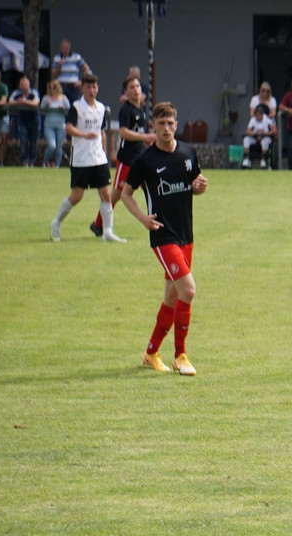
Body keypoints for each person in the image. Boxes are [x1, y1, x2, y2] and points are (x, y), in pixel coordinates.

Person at [120, 101, 208, 376]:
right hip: (162, 235)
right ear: (153, 126)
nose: (167, 128)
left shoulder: (188, 153)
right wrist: (143, 218)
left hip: (186, 234)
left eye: (170, 123)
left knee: (172, 296)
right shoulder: (145, 161)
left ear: (176, 125)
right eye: (161, 124)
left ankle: (150, 353)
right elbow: (125, 194)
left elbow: (195, 184)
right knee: (188, 290)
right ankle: (180, 355)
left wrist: (200, 186)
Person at [50, 74, 124, 243]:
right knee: (77, 196)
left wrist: (104, 150)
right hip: (81, 158)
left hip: (98, 158)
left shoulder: (101, 108)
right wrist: (84, 135)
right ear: (82, 88)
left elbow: (101, 131)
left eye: (94, 87)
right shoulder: (76, 107)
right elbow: (69, 128)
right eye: (88, 87)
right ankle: (57, 222)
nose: (92, 90)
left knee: (106, 194)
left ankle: (107, 231)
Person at [90, 75, 155, 236]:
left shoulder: (141, 109)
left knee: (150, 188)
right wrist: (144, 137)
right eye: (131, 87)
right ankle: (98, 224)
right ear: (125, 92)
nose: (136, 90)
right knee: (117, 194)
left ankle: (155, 220)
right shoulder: (126, 110)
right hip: (127, 159)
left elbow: (138, 132)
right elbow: (124, 132)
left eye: (138, 86)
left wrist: (146, 142)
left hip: (140, 158)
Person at [10, 76, 41, 167]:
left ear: (29, 85)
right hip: (22, 120)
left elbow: (36, 103)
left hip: (34, 119)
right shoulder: (16, 93)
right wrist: (18, 102)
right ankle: (25, 161)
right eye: (21, 84)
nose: (23, 86)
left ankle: (32, 161)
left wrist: (25, 102)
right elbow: (10, 102)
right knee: (23, 140)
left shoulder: (34, 92)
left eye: (25, 84)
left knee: (33, 141)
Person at [41, 80, 71, 168]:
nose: (52, 89)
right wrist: (46, 106)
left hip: (61, 126)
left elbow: (68, 112)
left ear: (58, 88)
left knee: (59, 147)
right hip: (49, 125)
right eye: (50, 88)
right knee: (52, 145)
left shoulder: (64, 98)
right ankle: (44, 162)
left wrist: (63, 109)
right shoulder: (46, 98)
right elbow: (42, 111)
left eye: (54, 87)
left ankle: (57, 166)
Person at [51, 38, 89, 103]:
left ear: (69, 48)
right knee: (62, 104)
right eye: (63, 48)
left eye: (67, 48)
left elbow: (86, 68)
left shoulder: (76, 57)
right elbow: (54, 75)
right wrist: (59, 66)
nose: (65, 50)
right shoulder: (57, 58)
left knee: (74, 105)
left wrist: (81, 81)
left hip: (73, 86)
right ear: (61, 48)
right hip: (61, 86)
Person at [242, 103, 277, 169]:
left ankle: (263, 160)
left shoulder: (267, 120)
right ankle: (247, 159)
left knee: (265, 142)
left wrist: (265, 133)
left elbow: (274, 130)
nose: (257, 116)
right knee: (246, 139)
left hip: (265, 137)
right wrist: (253, 133)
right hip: (255, 137)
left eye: (259, 114)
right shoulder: (253, 120)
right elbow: (248, 130)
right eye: (256, 115)